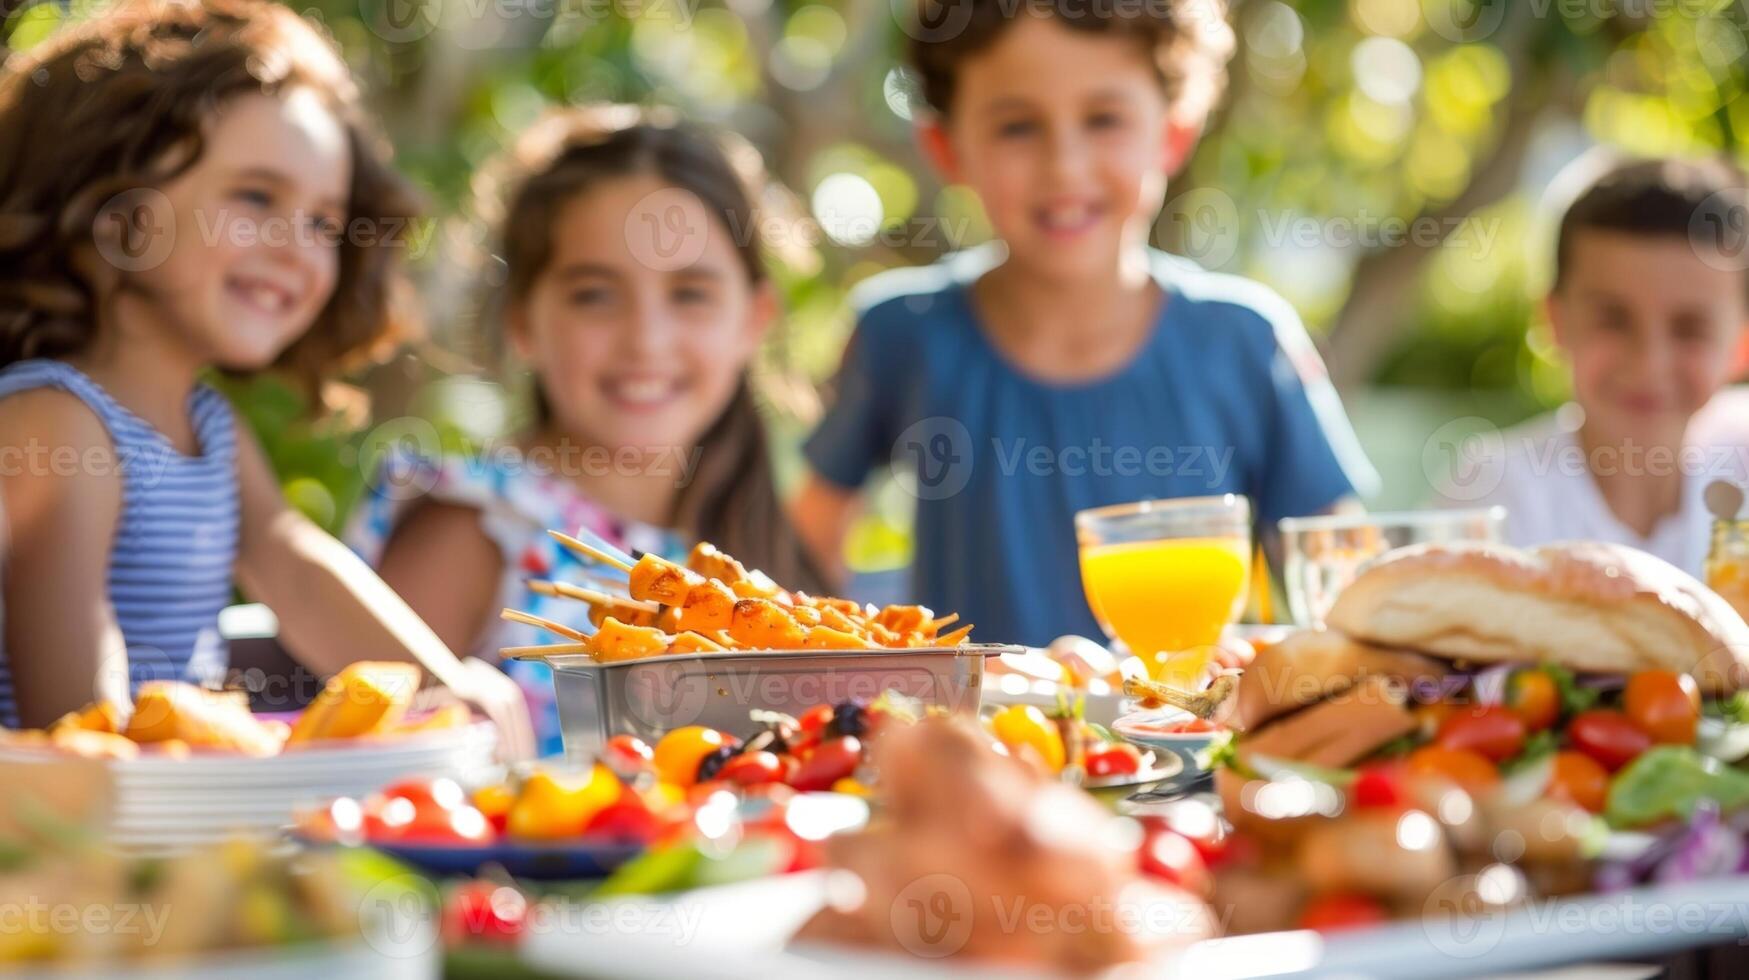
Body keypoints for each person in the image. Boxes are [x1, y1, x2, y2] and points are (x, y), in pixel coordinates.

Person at [0, 0, 531, 756]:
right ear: (114, 215)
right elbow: (78, 732)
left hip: (167, 811)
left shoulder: (208, 426)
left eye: (322, 221)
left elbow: (296, 568)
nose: (299, 249)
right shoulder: (55, 423)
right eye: (256, 199)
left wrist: (443, 687)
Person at [791, 0, 1375, 647]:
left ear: (1173, 132)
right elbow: (801, 552)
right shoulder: (898, 335)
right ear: (945, 147)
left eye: (1104, 119)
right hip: (971, 741)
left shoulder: (1244, 340)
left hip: (1184, 739)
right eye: (1016, 127)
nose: (1064, 167)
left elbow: (1346, 581)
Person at [347, 106, 828, 754]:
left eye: (690, 294)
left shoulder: (756, 544)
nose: (646, 339)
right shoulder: (475, 528)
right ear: (523, 323)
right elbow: (361, 769)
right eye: (595, 295)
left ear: (754, 319)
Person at [1436, 156, 1749, 575]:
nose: (1649, 364)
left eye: (1690, 329)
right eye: (1613, 319)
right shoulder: (1492, 496)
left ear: (1741, 343)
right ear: (1555, 320)